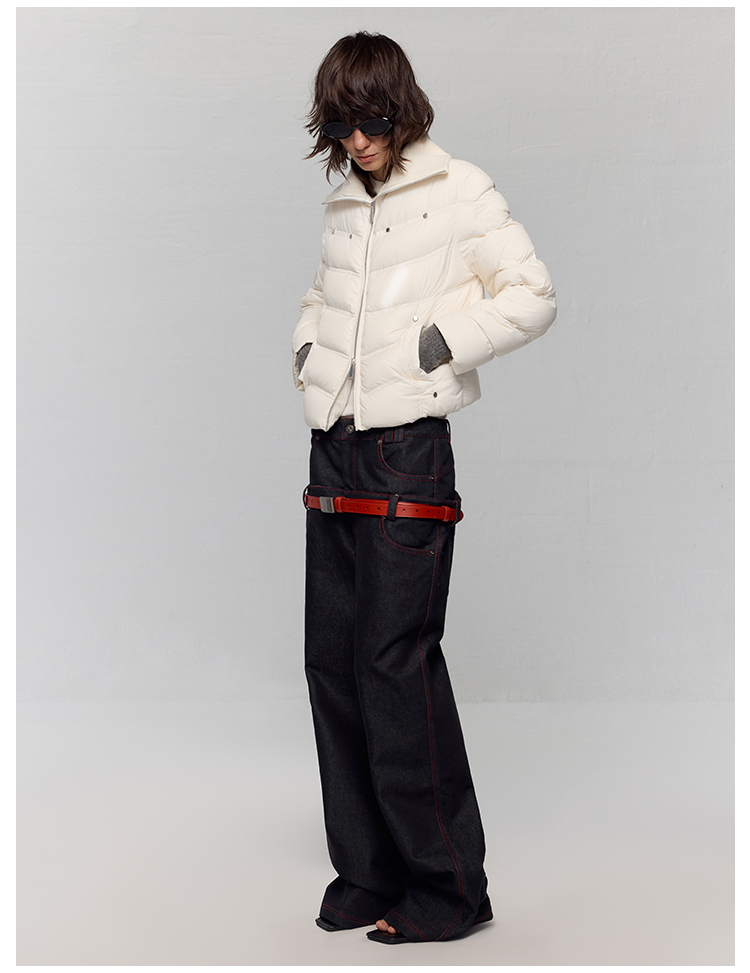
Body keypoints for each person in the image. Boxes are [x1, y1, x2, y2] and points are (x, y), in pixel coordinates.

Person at [292, 32, 556, 945]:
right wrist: (309, 356)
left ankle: (447, 887)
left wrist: (436, 345)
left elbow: (531, 294)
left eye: (371, 122)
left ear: (400, 108)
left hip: (408, 449)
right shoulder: (343, 204)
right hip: (334, 446)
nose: (359, 142)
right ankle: (368, 870)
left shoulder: (460, 189)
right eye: (342, 127)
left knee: (392, 663)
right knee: (331, 664)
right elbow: (323, 300)